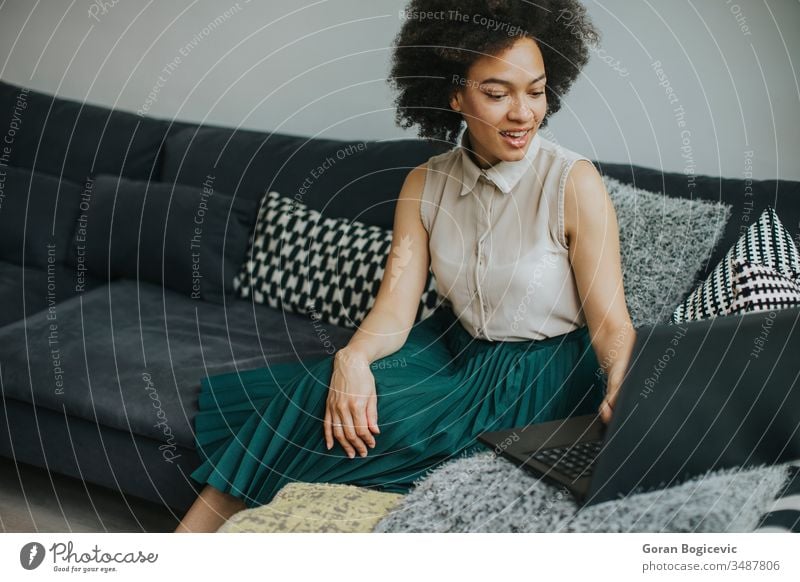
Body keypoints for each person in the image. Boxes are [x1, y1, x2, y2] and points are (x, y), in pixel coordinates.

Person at [175, 0, 636, 533]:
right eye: (496, 93)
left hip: (542, 371)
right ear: (454, 94)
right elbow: (395, 308)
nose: (524, 113)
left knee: (404, 432)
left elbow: (610, 323)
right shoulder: (425, 184)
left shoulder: (572, 183)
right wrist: (352, 358)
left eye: (535, 91)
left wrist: (624, 382)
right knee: (321, 393)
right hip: (449, 347)